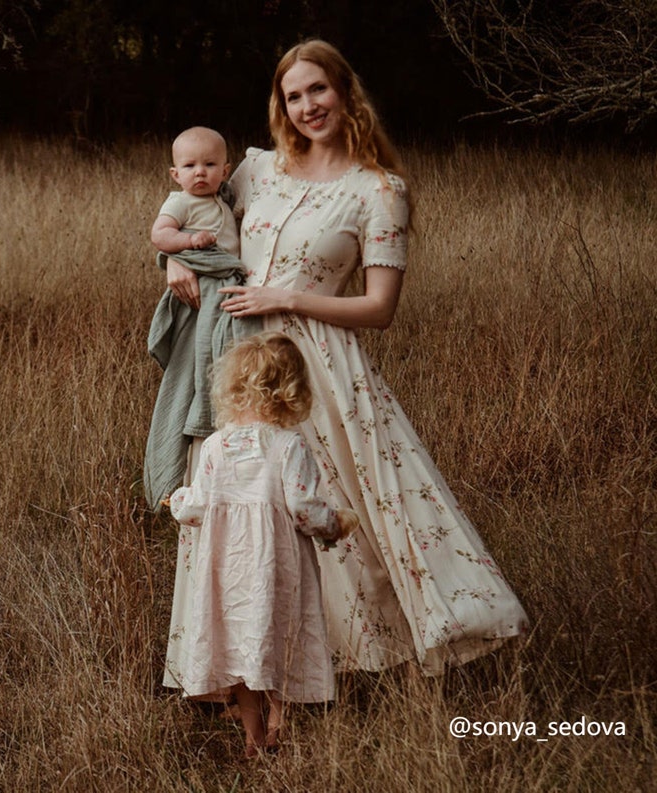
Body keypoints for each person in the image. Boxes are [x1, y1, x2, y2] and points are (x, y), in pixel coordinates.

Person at [165, 40, 529, 677]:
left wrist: (286, 297)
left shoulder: (379, 191)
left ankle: (358, 658)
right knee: (242, 510)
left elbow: (380, 307)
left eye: (318, 90)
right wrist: (175, 256)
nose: (307, 106)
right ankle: (244, 665)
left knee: (343, 507)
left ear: (344, 90)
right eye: (293, 95)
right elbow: (197, 219)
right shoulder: (257, 170)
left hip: (321, 365)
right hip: (239, 365)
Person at [166, 332, 358, 758]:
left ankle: (253, 737)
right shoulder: (289, 446)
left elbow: (196, 505)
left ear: (232, 388)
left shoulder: (216, 445)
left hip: (228, 567)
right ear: (292, 391)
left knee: (238, 640)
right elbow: (304, 510)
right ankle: (279, 720)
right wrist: (336, 524)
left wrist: (176, 501)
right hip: (277, 565)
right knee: (278, 634)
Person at [145, 126, 261, 511]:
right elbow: (160, 235)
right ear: (175, 174)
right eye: (190, 166)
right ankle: (200, 423)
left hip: (227, 283)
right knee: (206, 359)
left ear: (225, 170)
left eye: (209, 165)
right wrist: (185, 246)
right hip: (207, 286)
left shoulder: (223, 200)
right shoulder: (179, 201)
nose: (200, 172)